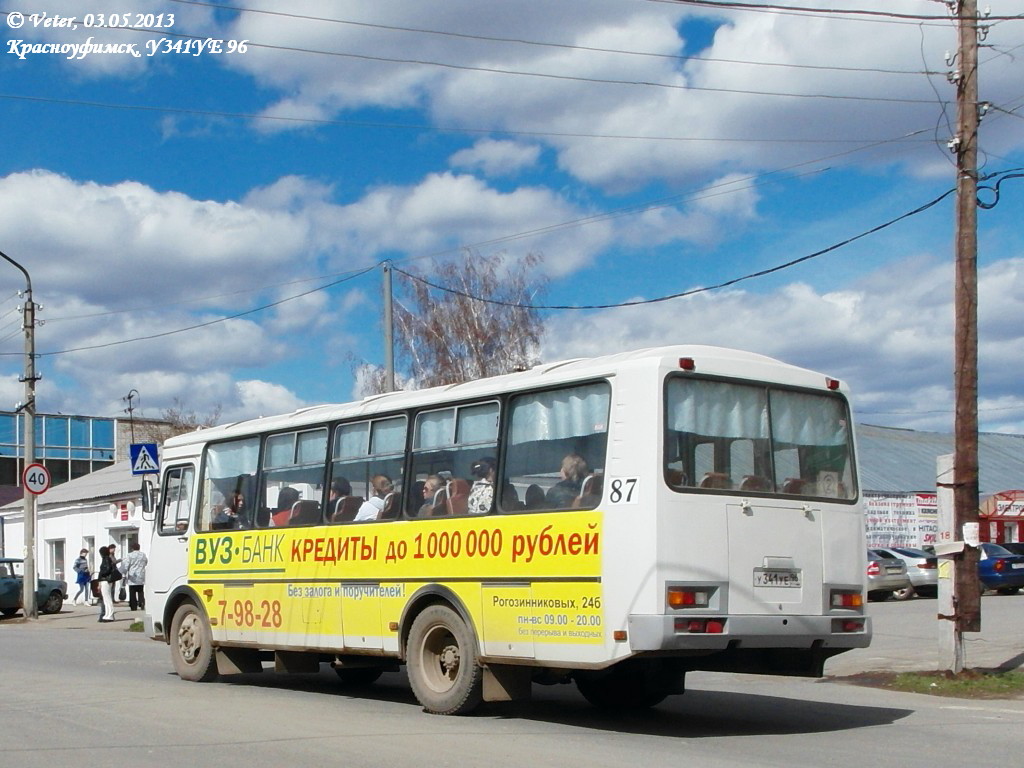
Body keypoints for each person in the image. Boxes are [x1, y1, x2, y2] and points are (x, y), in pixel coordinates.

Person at [120, 542, 148, 611]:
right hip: (141, 575)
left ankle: (133, 606)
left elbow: (126, 565)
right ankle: (142, 603)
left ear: (132, 548)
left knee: (132, 592)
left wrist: (124, 573)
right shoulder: (143, 555)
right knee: (140, 591)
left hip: (132, 575)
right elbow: (146, 562)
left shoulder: (130, 555)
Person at [96, 546, 120, 622]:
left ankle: (109, 615)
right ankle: (107, 615)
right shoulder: (107, 559)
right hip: (106, 580)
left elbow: (107, 569)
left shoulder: (106, 559)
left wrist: (102, 574)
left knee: (107, 598)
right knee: (106, 599)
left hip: (106, 580)